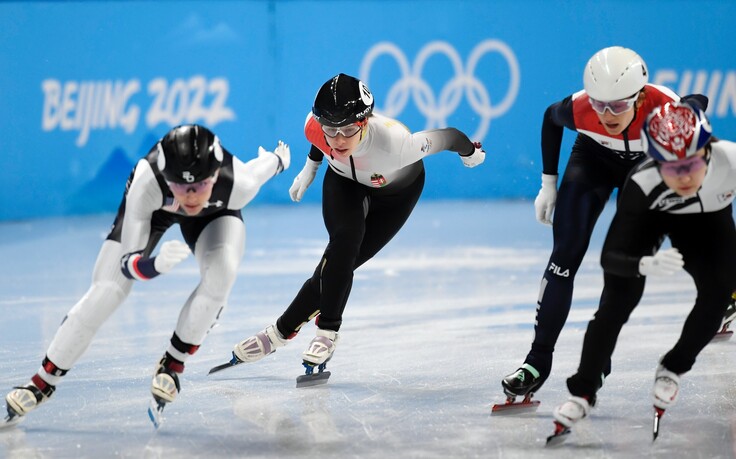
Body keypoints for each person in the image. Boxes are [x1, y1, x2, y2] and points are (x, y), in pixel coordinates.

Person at [3, 124, 290, 426]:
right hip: (153, 210)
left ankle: (173, 363)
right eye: (180, 185)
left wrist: (278, 159)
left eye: (200, 185)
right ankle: (42, 381)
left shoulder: (239, 182)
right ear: (166, 176)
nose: (190, 196)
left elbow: (264, 167)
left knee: (222, 274)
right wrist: (155, 266)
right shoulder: (147, 180)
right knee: (107, 291)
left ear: (216, 174)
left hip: (214, 213)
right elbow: (129, 263)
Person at [225, 73, 485, 378]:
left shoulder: (397, 144)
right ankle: (323, 333)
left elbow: (450, 136)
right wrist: (311, 169)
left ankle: (280, 333)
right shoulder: (315, 127)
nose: (338, 140)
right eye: (330, 131)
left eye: (348, 130)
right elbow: (318, 141)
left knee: (335, 266)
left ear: (365, 121)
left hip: (397, 194)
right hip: (344, 184)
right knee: (342, 246)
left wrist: (471, 152)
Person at [499, 46, 708, 405]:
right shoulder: (581, 108)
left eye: (617, 105)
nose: (607, 114)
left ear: (640, 97)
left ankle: (598, 359)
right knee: (563, 256)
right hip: (592, 162)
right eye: (600, 104)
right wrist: (548, 184)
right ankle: (536, 360)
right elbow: (550, 118)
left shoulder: (662, 107)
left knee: (625, 264)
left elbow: (698, 102)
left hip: (642, 171)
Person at [550, 101, 736, 441]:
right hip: (651, 219)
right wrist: (642, 264)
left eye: (691, 164)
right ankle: (582, 391)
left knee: (720, 290)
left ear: (708, 151)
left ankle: (674, 366)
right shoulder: (642, 180)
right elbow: (610, 257)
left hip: (709, 221)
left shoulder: (731, 160)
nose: (683, 177)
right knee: (616, 304)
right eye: (670, 167)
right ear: (654, 161)